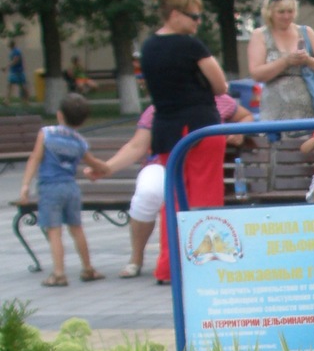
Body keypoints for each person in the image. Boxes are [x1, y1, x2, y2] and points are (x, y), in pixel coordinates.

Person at [139, 0, 230, 284]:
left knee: (174, 200)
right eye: (194, 16)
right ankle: (205, 265)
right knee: (205, 196)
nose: (197, 22)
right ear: (175, 14)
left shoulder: (148, 47)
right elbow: (220, 85)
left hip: (166, 129)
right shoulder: (191, 46)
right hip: (201, 126)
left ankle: (169, 267)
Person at [93, 92, 241, 276]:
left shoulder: (219, 100)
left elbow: (245, 115)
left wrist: (238, 131)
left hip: (203, 169)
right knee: (148, 192)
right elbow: (137, 146)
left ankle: (195, 261)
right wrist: (108, 168)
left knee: (197, 203)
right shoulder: (160, 106)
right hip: (163, 165)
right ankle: (137, 257)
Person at [17, 92, 109, 286]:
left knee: (54, 231)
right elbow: (93, 162)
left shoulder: (46, 134)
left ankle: (59, 273)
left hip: (49, 188)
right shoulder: (80, 142)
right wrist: (104, 168)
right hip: (71, 188)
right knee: (77, 228)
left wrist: (25, 186)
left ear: (59, 114)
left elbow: (35, 158)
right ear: (82, 121)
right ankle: (88, 268)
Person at [246, 0, 314, 132]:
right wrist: (286, 61)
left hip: (308, 111)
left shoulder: (306, 32)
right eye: (281, 12)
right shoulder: (260, 35)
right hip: (274, 113)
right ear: (270, 12)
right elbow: (257, 74)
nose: (286, 16)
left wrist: (308, 60)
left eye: (290, 11)